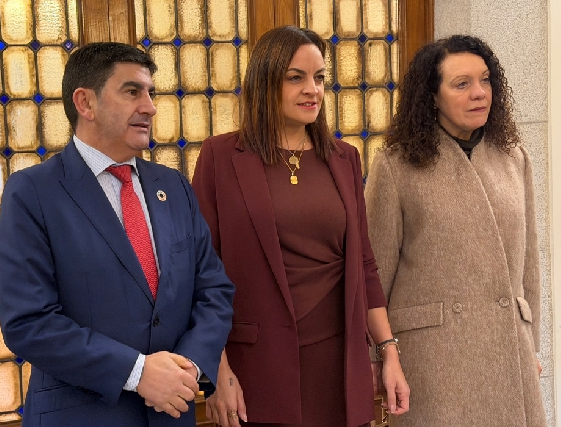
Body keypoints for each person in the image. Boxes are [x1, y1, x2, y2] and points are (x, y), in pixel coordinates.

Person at [0, 42, 235, 427]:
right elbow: (28, 322)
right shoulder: (33, 193)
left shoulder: (173, 186)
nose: (150, 107)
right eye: (132, 91)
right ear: (85, 103)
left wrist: (190, 368)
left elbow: (214, 290)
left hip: (172, 413)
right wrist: (137, 373)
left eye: (150, 93)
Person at [191, 26, 409, 427]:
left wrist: (388, 351)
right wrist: (215, 371)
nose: (313, 90)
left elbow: (365, 265)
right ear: (265, 82)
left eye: (320, 77)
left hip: (340, 369)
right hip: (256, 371)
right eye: (296, 77)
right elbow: (201, 272)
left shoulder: (344, 158)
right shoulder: (220, 156)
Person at [364, 35, 546, 426]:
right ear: (432, 96)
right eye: (461, 84)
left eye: (485, 80)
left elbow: (529, 265)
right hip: (433, 360)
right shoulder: (396, 165)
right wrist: (378, 356)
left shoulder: (514, 158)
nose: (479, 93)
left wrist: (529, 344)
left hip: (508, 351)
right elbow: (373, 273)